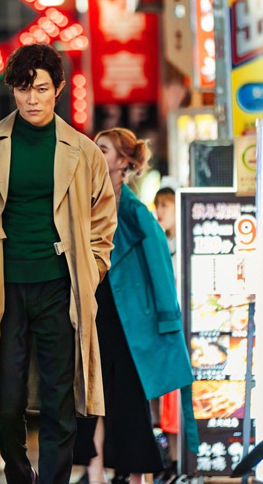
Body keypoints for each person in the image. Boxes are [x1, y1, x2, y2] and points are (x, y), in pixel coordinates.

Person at [0, 43, 118, 484]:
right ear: (12, 91)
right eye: (23, 89)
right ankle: (21, 476)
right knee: (3, 404)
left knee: (62, 401)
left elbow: (104, 220)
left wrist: (92, 267)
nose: (32, 99)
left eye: (41, 88)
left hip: (61, 288)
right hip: (0, 290)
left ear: (58, 88)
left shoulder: (83, 151)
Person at [71, 129, 198, 484]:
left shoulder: (136, 213)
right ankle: (94, 474)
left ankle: (137, 477)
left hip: (130, 326)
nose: (95, 153)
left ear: (123, 162)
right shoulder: (86, 204)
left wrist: (167, 323)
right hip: (93, 317)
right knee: (88, 402)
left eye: (104, 149)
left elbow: (161, 271)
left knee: (129, 405)